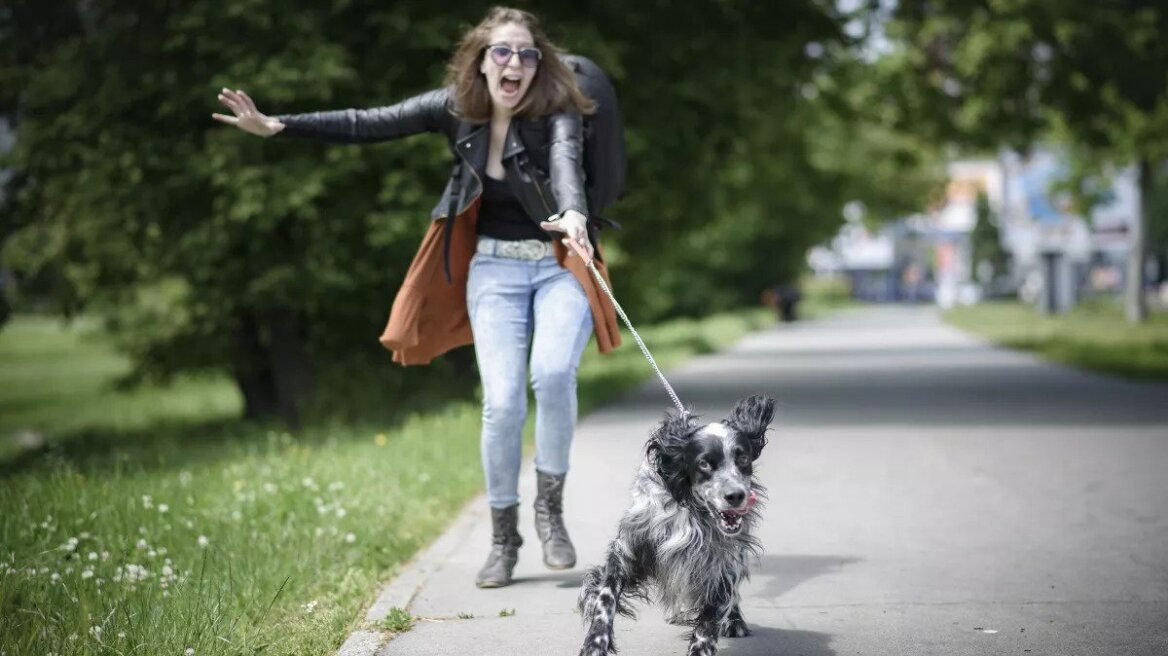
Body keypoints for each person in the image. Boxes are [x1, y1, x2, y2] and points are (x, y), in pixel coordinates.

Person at [212, 6, 621, 588]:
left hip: (558, 265)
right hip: (494, 270)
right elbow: (367, 121)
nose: (515, 64)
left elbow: (565, 161)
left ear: (539, 64)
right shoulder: (453, 108)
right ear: (480, 61)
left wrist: (575, 211)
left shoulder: (556, 110)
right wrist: (279, 126)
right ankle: (504, 539)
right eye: (502, 52)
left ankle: (549, 511)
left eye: (527, 54)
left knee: (553, 376)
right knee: (502, 402)